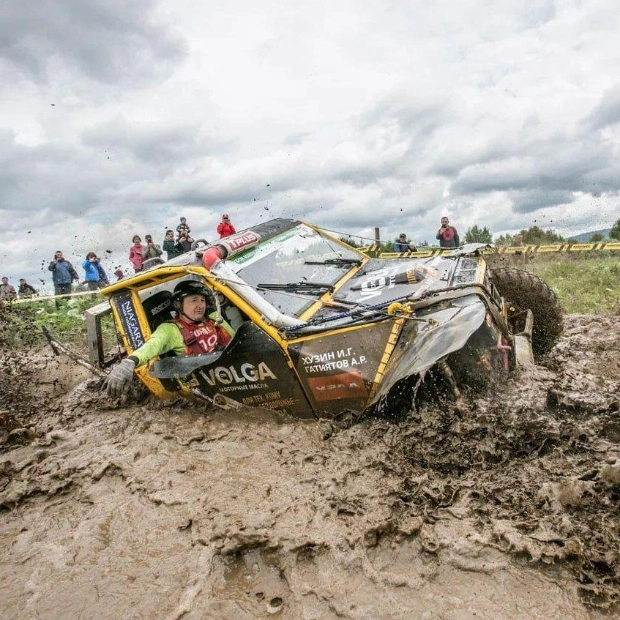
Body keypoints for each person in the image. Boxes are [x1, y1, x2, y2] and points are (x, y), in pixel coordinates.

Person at [104, 280, 235, 397]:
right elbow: (152, 346)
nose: (200, 305)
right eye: (194, 300)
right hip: (209, 384)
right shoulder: (171, 329)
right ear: (179, 305)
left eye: (202, 300)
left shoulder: (214, 318)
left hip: (233, 370)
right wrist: (129, 362)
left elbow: (237, 340)